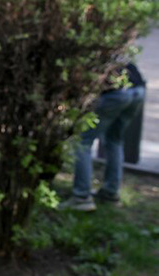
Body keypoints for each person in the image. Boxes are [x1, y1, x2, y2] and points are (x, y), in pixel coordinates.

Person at [61, 63, 146, 212]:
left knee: (82, 141)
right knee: (114, 140)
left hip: (115, 93)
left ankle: (81, 197)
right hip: (137, 90)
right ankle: (111, 192)